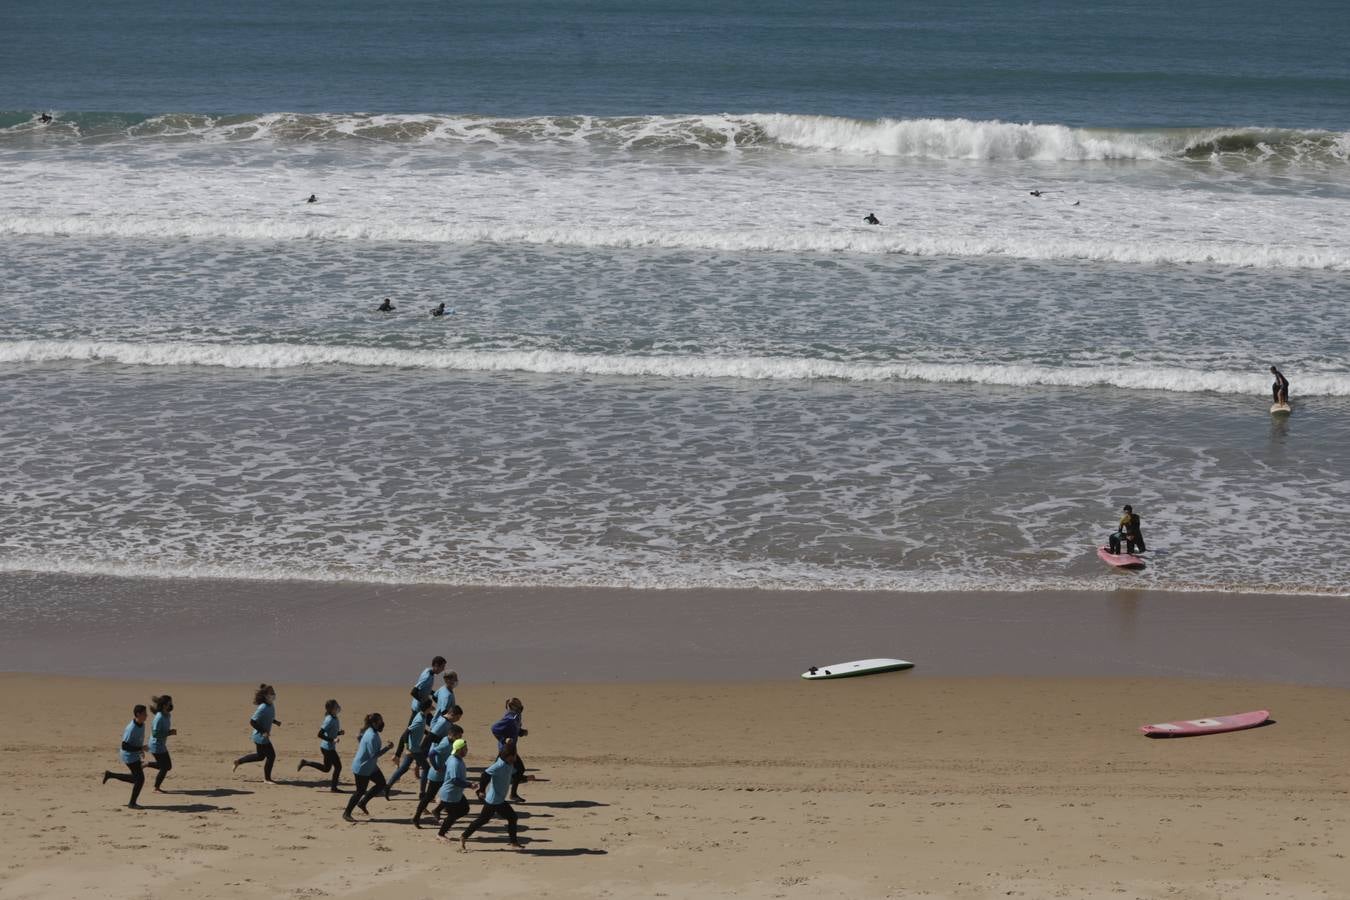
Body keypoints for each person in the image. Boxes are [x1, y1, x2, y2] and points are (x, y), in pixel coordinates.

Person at [460, 741, 525, 851]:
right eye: (513, 756)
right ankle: (464, 836)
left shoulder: (509, 764)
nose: (514, 758)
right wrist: (481, 790)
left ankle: (464, 836)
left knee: (485, 819)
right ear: (507, 756)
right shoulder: (498, 765)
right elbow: (485, 774)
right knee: (510, 817)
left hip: (498, 799)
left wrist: (526, 778)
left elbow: (511, 775)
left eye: (514, 756)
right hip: (494, 800)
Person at [343, 713, 394, 821]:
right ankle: (346, 813)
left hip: (370, 766)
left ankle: (362, 803)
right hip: (362, 767)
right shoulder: (372, 736)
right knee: (360, 791)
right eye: (380, 722)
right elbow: (374, 755)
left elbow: (359, 737)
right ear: (374, 723)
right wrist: (388, 748)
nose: (382, 724)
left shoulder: (370, 731)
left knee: (381, 783)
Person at [414, 723, 463, 826]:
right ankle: (416, 817)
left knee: (448, 793)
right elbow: (431, 754)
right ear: (452, 735)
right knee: (429, 796)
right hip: (436, 776)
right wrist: (436, 767)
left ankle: (437, 811)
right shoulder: (445, 744)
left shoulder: (449, 741)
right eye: (459, 736)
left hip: (444, 775)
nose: (460, 738)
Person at [396, 657, 445, 757]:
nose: (443, 669)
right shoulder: (427, 676)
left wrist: (434, 694)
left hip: (421, 708)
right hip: (419, 709)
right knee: (411, 730)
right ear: (436, 665)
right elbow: (414, 692)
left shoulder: (429, 671)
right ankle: (400, 755)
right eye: (442, 667)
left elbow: (424, 689)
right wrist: (425, 704)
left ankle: (404, 754)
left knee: (430, 727)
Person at [385, 697, 434, 796]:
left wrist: (427, 733)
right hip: (414, 749)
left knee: (404, 768)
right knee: (426, 768)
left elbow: (420, 729)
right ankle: (422, 793)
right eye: (431, 706)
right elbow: (406, 733)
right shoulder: (419, 719)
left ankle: (388, 786)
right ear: (428, 708)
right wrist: (407, 748)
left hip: (413, 748)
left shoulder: (421, 715)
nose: (433, 707)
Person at [103, 704, 149, 808]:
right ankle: (132, 803)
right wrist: (140, 748)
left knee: (135, 778)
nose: (146, 716)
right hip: (128, 756)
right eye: (144, 714)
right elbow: (124, 745)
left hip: (134, 754)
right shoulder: (131, 728)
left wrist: (140, 750)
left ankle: (110, 775)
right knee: (140, 779)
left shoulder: (142, 724)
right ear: (138, 714)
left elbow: (138, 739)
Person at [233, 684, 281, 783]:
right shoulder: (262, 707)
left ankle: (238, 761)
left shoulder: (271, 705)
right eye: (271, 693)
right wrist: (263, 731)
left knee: (260, 756)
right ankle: (267, 779)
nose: (273, 694)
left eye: (274, 692)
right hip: (260, 736)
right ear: (266, 696)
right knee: (271, 756)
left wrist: (275, 722)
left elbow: (268, 717)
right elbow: (252, 721)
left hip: (261, 736)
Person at [490, 697, 533, 802]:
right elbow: (494, 728)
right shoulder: (509, 718)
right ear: (511, 707)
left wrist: (521, 732)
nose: (521, 707)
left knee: (498, 772)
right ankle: (484, 791)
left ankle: (512, 793)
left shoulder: (517, 716)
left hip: (511, 748)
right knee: (516, 770)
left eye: (520, 704)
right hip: (505, 750)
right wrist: (504, 739)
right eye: (518, 705)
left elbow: (514, 729)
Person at [297, 699, 345, 791]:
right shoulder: (329, 719)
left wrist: (339, 733)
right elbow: (320, 734)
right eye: (336, 706)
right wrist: (333, 739)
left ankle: (305, 762)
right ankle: (334, 788)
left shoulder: (335, 717)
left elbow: (331, 732)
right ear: (331, 709)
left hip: (328, 747)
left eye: (338, 705)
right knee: (338, 767)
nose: (338, 707)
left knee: (326, 769)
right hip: (327, 748)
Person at [435, 739, 474, 842]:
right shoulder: (455, 762)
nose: (467, 750)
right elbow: (455, 780)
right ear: (460, 749)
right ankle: (440, 834)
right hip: (450, 794)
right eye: (465, 748)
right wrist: (469, 785)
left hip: (455, 793)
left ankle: (444, 819)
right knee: (453, 815)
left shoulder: (454, 758)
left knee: (464, 809)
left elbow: (445, 768)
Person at [144, 695, 177, 792]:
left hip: (161, 745)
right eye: (169, 703)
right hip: (155, 745)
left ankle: (146, 764)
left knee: (167, 766)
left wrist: (168, 732)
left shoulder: (168, 715)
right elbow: (155, 734)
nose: (171, 705)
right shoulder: (159, 717)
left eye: (171, 703)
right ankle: (156, 788)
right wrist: (169, 733)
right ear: (164, 705)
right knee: (165, 767)